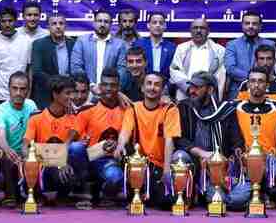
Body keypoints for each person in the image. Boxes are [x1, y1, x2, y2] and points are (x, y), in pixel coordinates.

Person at [175, 71, 249, 210]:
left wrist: (231, 162)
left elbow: (237, 141)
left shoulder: (225, 110)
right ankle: (189, 193)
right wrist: (201, 153)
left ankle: (208, 192)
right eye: (191, 86)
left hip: (220, 168)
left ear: (210, 90)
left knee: (236, 200)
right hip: (196, 164)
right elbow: (179, 139)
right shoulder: (183, 107)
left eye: (197, 87)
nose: (192, 91)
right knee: (179, 156)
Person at [117, 72, 181, 208]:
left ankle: (144, 194)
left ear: (162, 89)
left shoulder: (170, 109)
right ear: (142, 88)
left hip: (158, 164)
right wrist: (120, 145)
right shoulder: (133, 108)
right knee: (125, 150)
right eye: (149, 83)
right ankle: (136, 193)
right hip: (138, 162)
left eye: (157, 85)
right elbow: (125, 132)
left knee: (166, 202)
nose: (152, 88)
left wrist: (166, 170)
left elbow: (169, 140)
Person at [24, 75, 89, 207]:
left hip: (67, 168)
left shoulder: (75, 118)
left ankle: (74, 191)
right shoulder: (36, 118)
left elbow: (81, 149)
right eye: (68, 93)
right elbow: (25, 148)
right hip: (44, 169)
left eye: (72, 92)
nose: (72, 97)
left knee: (77, 148)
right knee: (37, 162)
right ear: (55, 94)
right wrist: (58, 162)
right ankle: (36, 192)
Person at [234, 67, 276, 207]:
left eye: (260, 81)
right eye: (253, 81)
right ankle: (253, 193)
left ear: (267, 85)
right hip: (246, 161)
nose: (256, 85)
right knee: (236, 201)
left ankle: (267, 191)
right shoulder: (236, 107)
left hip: (269, 160)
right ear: (248, 84)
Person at [77, 70, 127, 204]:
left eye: (113, 85)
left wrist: (119, 146)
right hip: (91, 160)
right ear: (99, 87)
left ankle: (103, 192)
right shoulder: (88, 111)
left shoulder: (127, 111)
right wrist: (100, 148)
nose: (109, 88)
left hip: (114, 162)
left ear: (119, 87)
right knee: (76, 148)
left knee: (114, 176)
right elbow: (79, 145)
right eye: (105, 85)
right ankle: (84, 188)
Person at [0, 71, 38, 207]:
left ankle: (34, 195)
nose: (18, 93)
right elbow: (0, 135)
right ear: (9, 89)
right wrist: (7, 149)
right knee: (7, 158)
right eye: (15, 88)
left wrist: (29, 153)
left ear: (28, 90)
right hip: (6, 152)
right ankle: (10, 195)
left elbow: (36, 130)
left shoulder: (32, 105)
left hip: (26, 150)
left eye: (23, 89)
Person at [0, 8, 33, 106]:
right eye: (3, 21)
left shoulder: (27, 42)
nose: (7, 24)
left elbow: (29, 70)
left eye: (10, 21)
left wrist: (28, 92)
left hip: (20, 95)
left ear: (15, 21)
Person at [70, 8, 126, 96]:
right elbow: (76, 67)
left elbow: (122, 70)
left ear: (111, 24)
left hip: (111, 93)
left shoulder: (120, 44)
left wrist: (109, 87)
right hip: (85, 92)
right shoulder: (82, 41)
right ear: (94, 23)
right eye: (99, 21)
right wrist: (91, 85)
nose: (102, 24)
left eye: (106, 22)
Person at [169, 17, 227, 101]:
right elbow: (175, 70)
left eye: (202, 28)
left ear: (208, 31)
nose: (198, 31)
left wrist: (206, 91)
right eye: (195, 28)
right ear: (190, 31)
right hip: (185, 94)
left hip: (208, 96)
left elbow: (220, 76)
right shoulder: (181, 48)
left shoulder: (219, 50)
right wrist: (189, 88)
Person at [223, 10, 273, 98]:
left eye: (254, 24)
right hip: (237, 92)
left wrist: (257, 81)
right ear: (242, 25)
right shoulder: (232, 45)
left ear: (260, 26)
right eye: (247, 23)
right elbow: (231, 69)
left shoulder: (270, 44)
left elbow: (272, 69)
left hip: (263, 92)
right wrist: (253, 78)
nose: (250, 26)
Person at [30, 11, 75, 108]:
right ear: (48, 27)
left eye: (61, 23)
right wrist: (59, 83)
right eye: (54, 24)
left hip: (69, 95)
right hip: (46, 95)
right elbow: (37, 72)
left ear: (65, 26)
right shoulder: (39, 44)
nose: (58, 27)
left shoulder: (73, 44)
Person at [135, 11, 175, 81]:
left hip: (165, 85)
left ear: (165, 26)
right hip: (142, 83)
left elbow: (174, 71)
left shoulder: (172, 47)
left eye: (161, 23)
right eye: (154, 22)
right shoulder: (139, 44)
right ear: (148, 25)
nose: (158, 25)